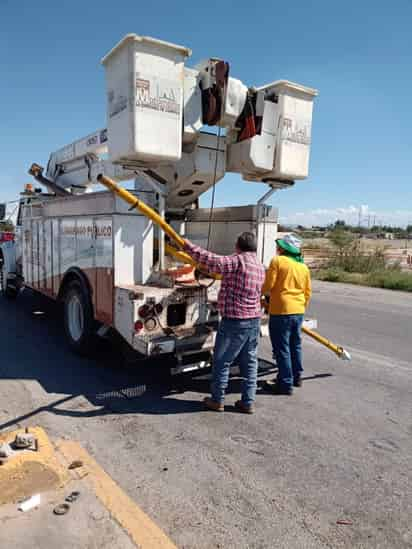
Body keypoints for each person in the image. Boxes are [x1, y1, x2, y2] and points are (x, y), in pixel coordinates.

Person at [184, 232, 265, 414]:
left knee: (222, 361)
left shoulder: (238, 261)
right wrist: (222, 300)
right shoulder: (259, 266)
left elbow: (211, 261)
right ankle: (247, 402)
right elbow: (241, 289)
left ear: (238, 246)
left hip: (235, 322)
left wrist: (186, 245)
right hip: (253, 320)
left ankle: (217, 400)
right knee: (250, 362)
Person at [261, 234, 311, 395]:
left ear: (284, 248)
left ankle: (284, 384)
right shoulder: (303, 267)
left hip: (281, 310)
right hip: (298, 310)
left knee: (282, 347)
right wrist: (301, 307)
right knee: (295, 345)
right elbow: (307, 292)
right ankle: (297, 377)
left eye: (280, 246)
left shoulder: (278, 261)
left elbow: (268, 285)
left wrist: (258, 293)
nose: (277, 248)